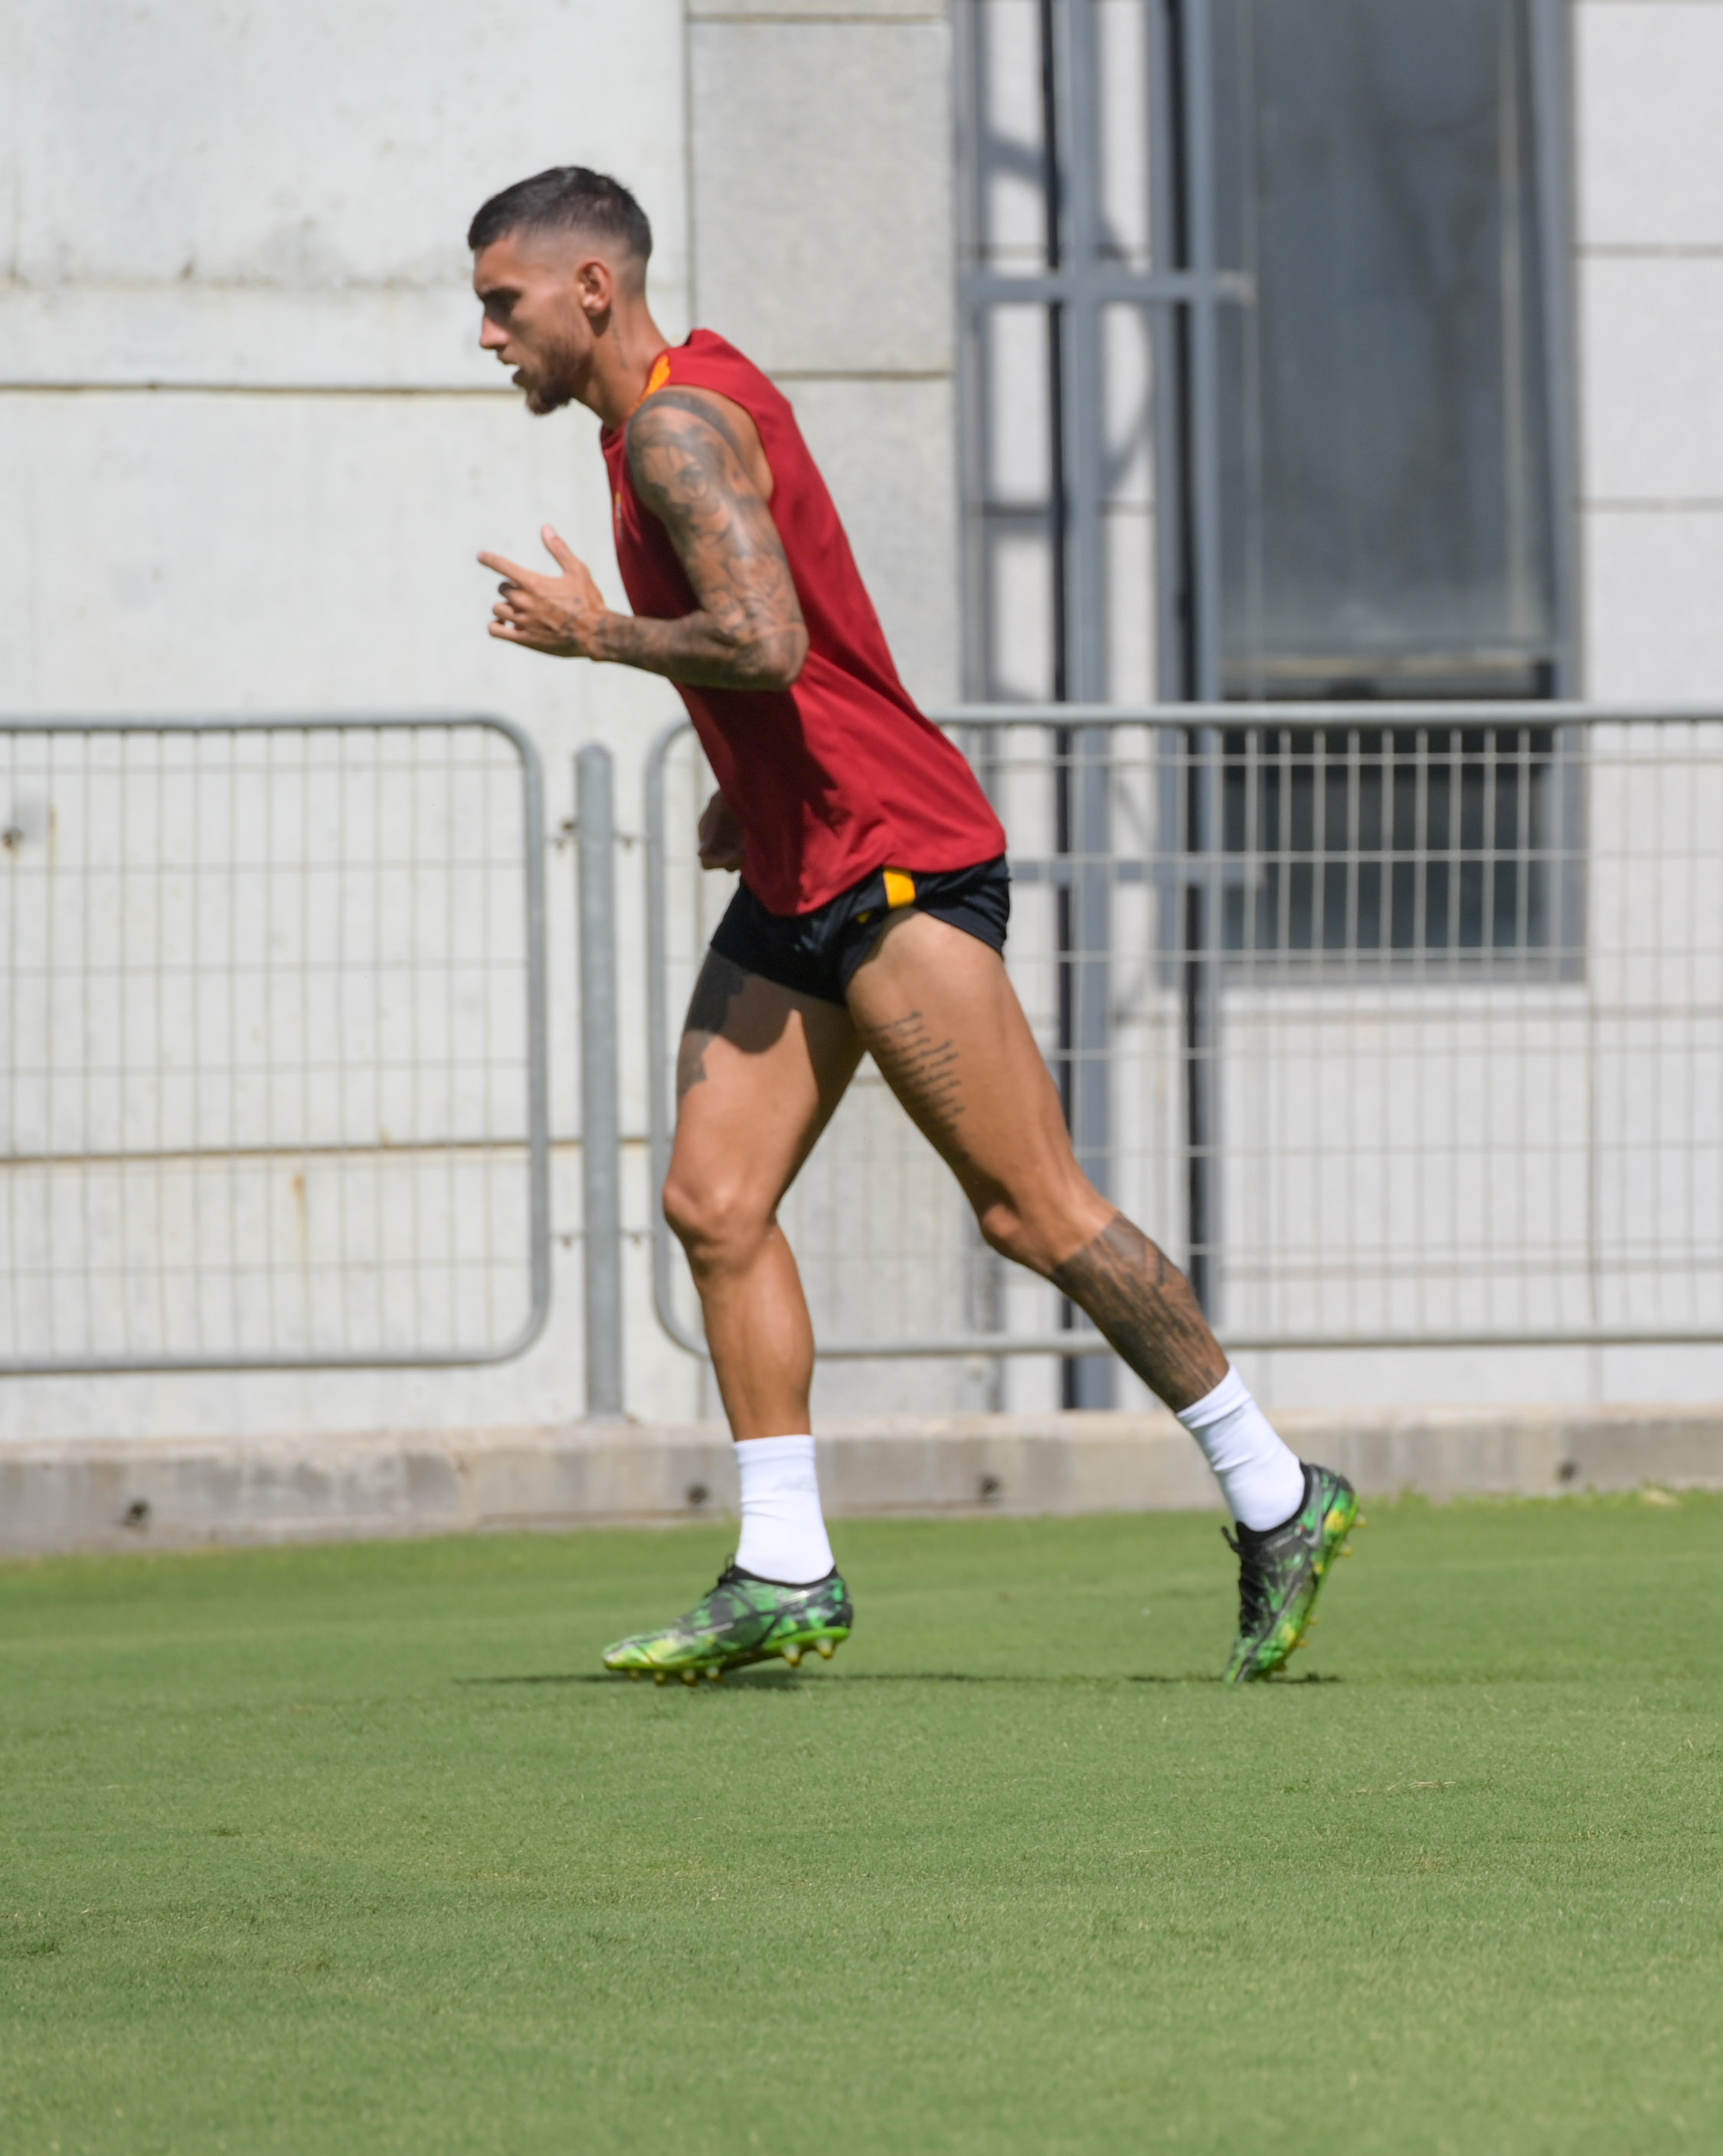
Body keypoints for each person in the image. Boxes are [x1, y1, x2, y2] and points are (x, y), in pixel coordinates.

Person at [467, 166, 1361, 1685]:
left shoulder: (678, 428)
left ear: (592, 290)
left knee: (1035, 1212)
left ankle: (1279, 1490)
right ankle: (784, 1562)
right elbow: (786, 653)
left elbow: (766, 632)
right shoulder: (664, 421)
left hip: (895, 865)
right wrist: (751, 789)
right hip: (804, 865)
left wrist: (597, 633)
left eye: (504, 303)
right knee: (713, 1202)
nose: (489, 336)